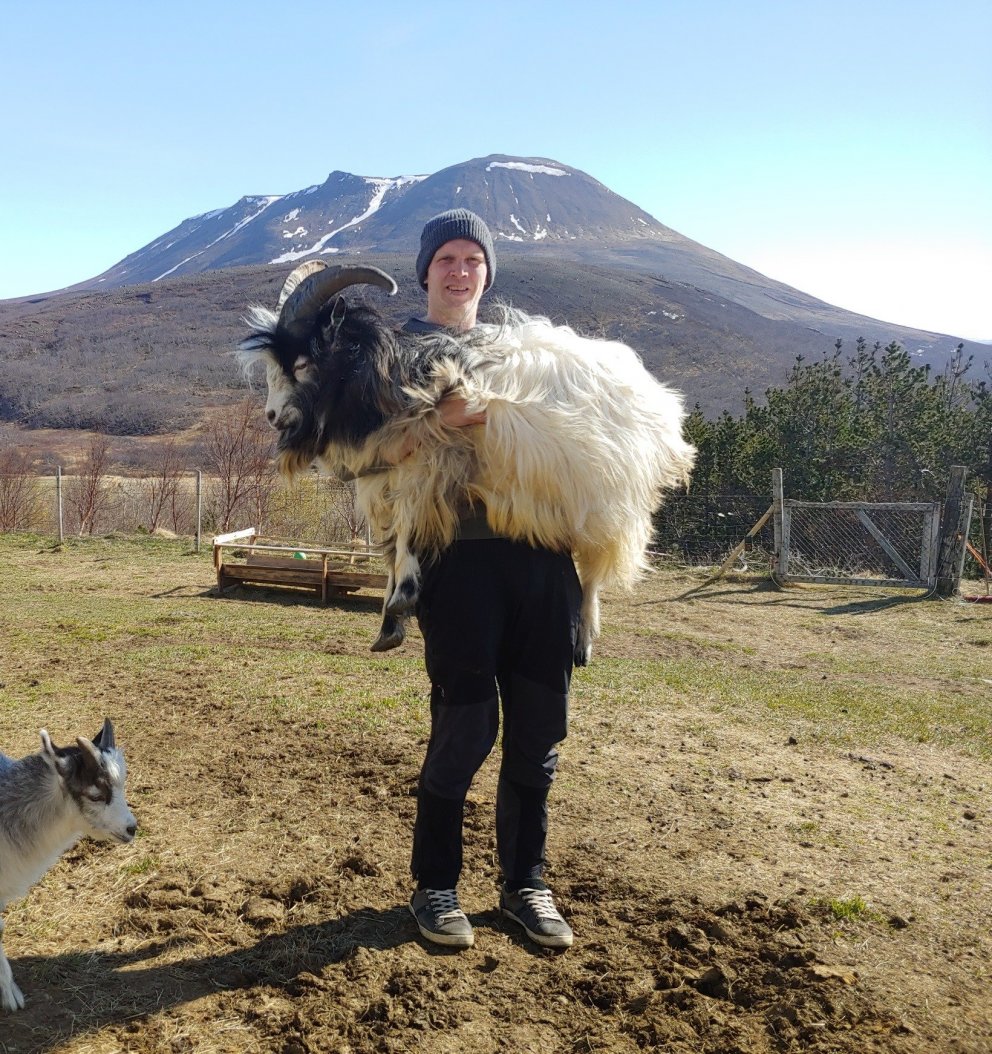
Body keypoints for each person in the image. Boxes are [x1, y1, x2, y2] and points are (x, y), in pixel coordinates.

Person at [402, 209, 581, 950]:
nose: (460, 269)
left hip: (544, 557)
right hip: (458, 558)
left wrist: (491, 415)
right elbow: (423, 418)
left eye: (473, 258)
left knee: (538, 733)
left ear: (487, 272)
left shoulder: (528, 350)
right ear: (426, 271)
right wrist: (512, 419)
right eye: (447, 257)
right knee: (466, 726)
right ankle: (435, 887)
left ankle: (524, 886)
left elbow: (575, 419)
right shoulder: (401, 349)